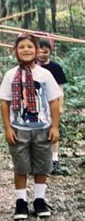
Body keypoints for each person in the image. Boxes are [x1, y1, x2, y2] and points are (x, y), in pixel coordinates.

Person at [0, 34, 62, 221]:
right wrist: (8, 128)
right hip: (19, 129)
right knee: (21, 166)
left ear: (36, 51)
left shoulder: (45, 74)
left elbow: (54, 101)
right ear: (15, 51)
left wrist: (55, 127)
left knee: (42, 165)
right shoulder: (11, 75)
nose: (26, 50)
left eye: (30, 47)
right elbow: (4, 103)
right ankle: (21, 202)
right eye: (22, 47)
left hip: (43, 127)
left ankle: (39, 200)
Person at [37, 38, 68, 175]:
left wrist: (60, 106)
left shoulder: (56, 68)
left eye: (45, 51)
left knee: (53, 132)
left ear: (50, 51)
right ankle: (39, 161)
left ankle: (54, 160)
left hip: (52, 103)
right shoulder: (33, 67)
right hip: (36, 104)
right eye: (40, 51)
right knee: (37, 133)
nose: (42, 54)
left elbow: (60, 89)